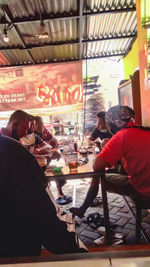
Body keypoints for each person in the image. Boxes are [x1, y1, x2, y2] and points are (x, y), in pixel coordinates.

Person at [0, 133, 87, 257]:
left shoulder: (20, 146)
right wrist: (80, 253)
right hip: (16, 256)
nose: (27, 132)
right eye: (25, 127)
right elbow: (43, 216)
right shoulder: (12, 152)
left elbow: (49, 144)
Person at [69, 106, 135, 218]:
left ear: (111, 123)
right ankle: (83, 208)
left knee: (97, 175)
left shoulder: (119, 137)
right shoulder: (145, 130)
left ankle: (83, 209)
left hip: (137, 186)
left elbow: (97, 166)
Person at [33, 115, 72, 205]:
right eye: (38, 125)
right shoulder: (31, 135)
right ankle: (47, 196)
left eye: (42, 124)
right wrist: (46, 151)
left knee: (57, 170)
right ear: (33, 126)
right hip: (36, 165)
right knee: (48, 174)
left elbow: (53, 142)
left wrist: (53, 146)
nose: (41, 127)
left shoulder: (44, 131)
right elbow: (36, 152)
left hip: (45, 162)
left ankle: (60, 192)